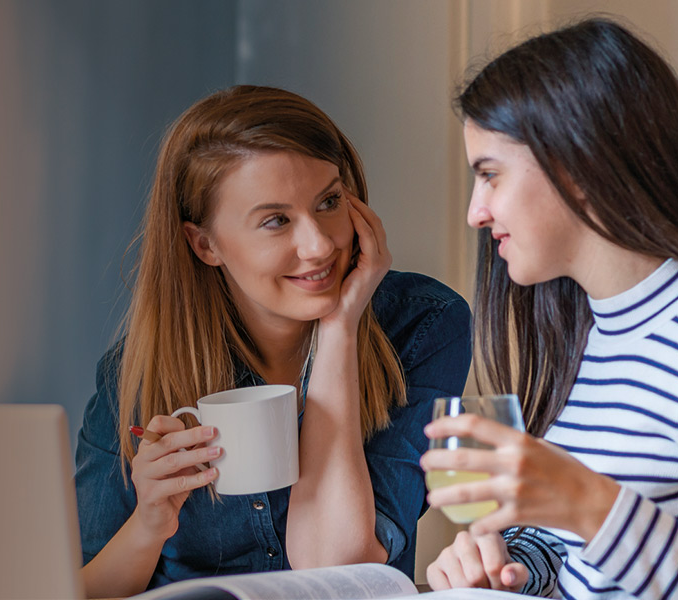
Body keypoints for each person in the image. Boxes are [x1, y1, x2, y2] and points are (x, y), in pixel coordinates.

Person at [418, 18, 678, 599]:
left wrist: (592, 505)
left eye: (490, 175)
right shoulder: (593, 328)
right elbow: (583, 555)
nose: (476, 212)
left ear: (579, 165)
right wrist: (512, 562)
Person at [74, 85, 471, 597]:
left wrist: (339, 330)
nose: (320, 244)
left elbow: (336, 567)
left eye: (328, 202)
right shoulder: (136, 373)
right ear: (205, 244)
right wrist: (150, 521)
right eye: (276, 220)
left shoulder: (422, 325)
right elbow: (79, 589)